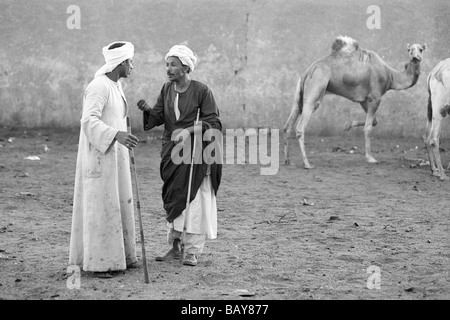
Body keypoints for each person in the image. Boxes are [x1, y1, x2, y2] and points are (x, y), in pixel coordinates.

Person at [137, 44, 222, 266]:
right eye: (167, 64)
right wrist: (148, 111)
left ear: (185, 67)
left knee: (193, 201)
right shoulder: (166, 89)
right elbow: (157, 118)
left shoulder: (202, 91)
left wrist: (188, 131)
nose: (168, 68)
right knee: (173, 197)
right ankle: (174, 247)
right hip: (171, 152)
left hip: (195, 154)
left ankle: (192, 251)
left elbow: (214, 122)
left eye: (173, 64)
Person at [69, 41, 140, 278]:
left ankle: (122, 257)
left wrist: (122, 135)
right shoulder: (98, 86)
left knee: (117, 204)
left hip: (115, 157)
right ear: (120, 63)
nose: (132, 66)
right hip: (99, 157)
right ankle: (99, 263)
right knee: (101, 208)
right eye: (130, 61)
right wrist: (115, 134)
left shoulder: (116, 86)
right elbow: (88, 121)